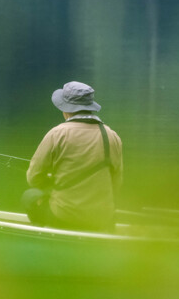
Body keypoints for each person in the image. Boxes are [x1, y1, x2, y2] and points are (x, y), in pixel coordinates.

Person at [23, 81, 124, 232]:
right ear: (90, 107)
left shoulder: (57, 134)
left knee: (29, 196)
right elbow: (116, 182)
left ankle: (46, 236)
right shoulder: (112, 136)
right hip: (102, 219)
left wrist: (52, 183)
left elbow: (33, 177)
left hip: (63, 216)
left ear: (65, 110)